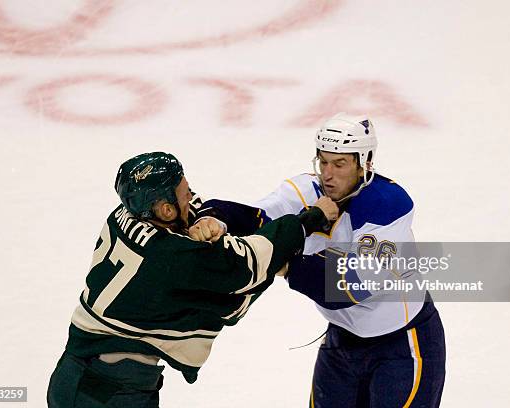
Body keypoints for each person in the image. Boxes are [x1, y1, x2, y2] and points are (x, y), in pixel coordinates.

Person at [191, 114, 446, 407]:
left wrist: (282, 262)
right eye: (323, 162)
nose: (328, 174)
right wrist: (214, 218)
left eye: (340, 164)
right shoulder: (306, 192)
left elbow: (353, 284)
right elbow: (258, 220)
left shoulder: (388, 205)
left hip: (401, 346)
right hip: (341, 342)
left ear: (364, 163)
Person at [47, 151, 338, 407]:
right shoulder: (172, 257)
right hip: (107, 393)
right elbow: (246, 265)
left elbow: (191, 212)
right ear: (166, 209)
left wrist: (204, 220)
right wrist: (308, 219)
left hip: (80, 374)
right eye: (184, 192)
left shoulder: (125, 213)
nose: (191, 196)